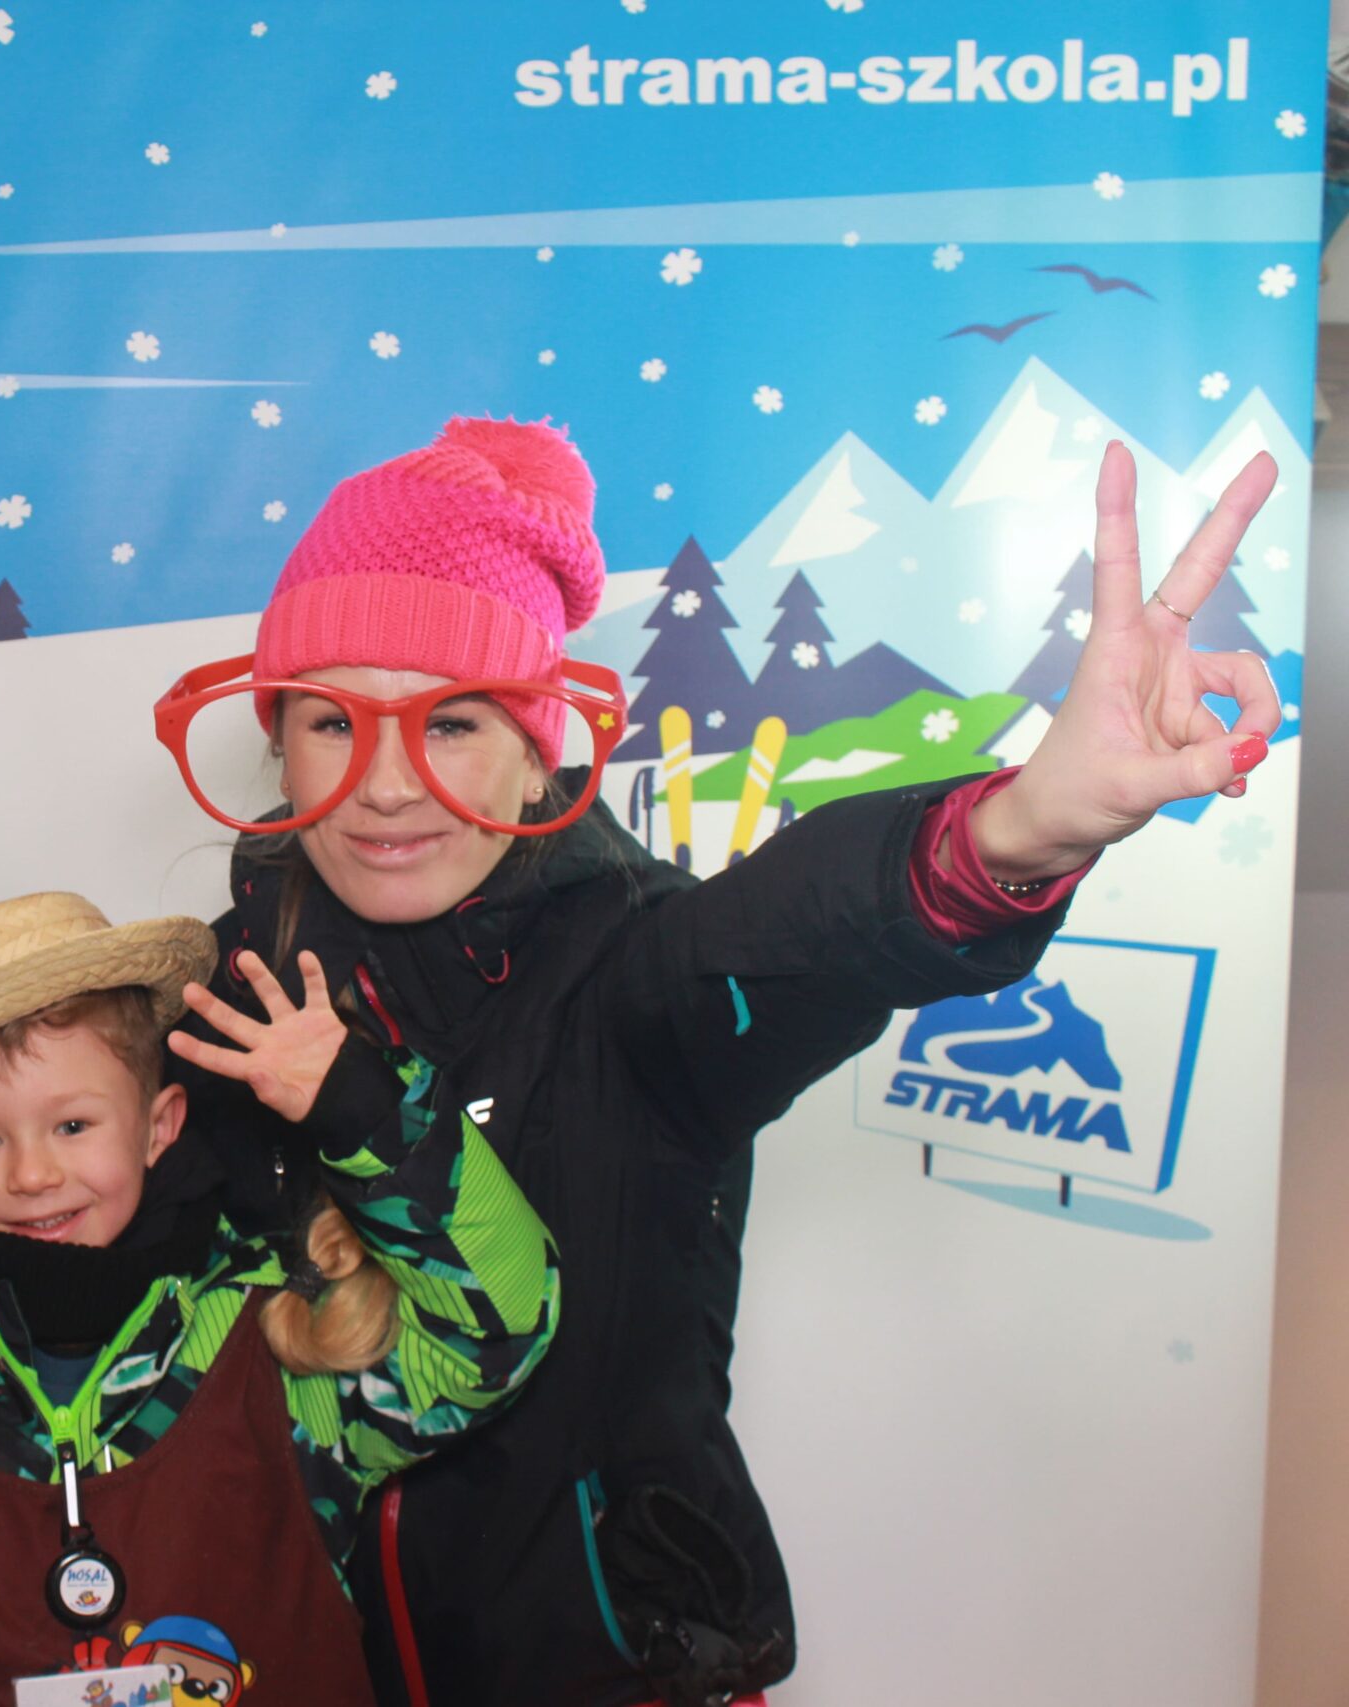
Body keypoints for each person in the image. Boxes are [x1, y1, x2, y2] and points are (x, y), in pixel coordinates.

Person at [153, 416, 1279, 1707]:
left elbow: (804, 929)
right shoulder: (209, 1002)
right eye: (330, 721)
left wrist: (1018, 828)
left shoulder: (635, 973)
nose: (389, 784)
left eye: (451, 722)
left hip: (619, 1670)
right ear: (278, 741)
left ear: (535, 745)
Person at [0, 891, 561, 1707]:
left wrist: (363, 1110)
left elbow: (500, 1329)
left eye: (73, 1125)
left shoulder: (277, 1339)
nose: (32, 1174)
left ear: (159, 1126)